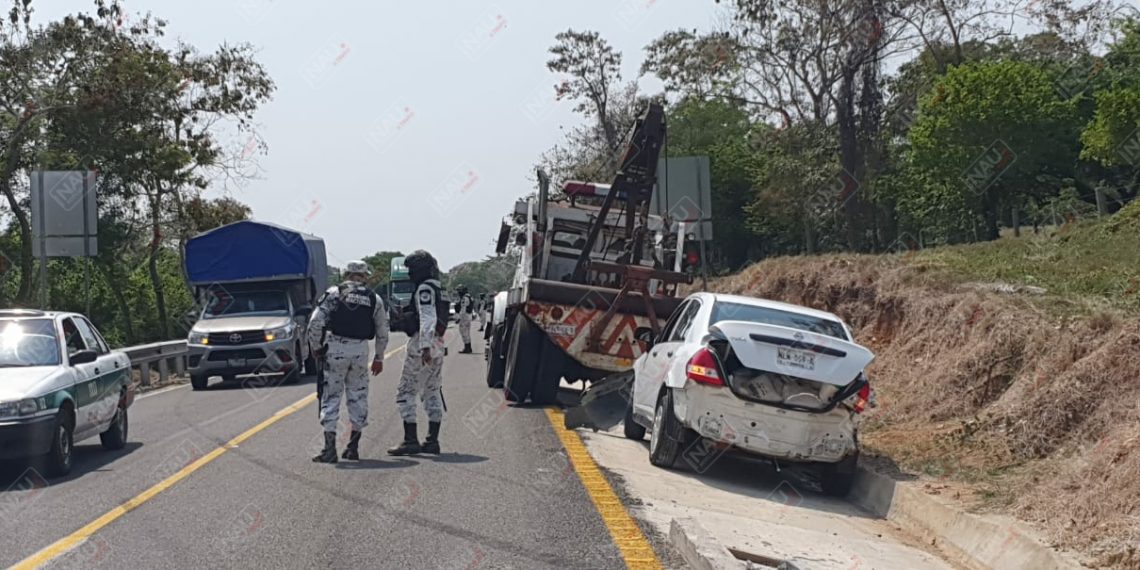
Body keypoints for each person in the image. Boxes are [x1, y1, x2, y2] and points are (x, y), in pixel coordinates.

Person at [307, 260, 389, 463]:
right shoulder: (374, 298)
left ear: (347, 274)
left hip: (335, 348)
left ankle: (329, 449)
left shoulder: (334, 293)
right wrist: (379, 357)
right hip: (360, 350)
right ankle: (353, 448)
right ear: (364, 276)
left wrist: (316, 348)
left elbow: (315, 323)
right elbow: (382, 332)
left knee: (331, 397)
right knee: (358, 396)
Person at [389, 250, 449, 455]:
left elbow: (427, 317)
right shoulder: (439, 288)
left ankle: (410, 440)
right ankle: (432, 440)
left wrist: (424, 347)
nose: (410, 274)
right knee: (431, 390)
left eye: (412, 270)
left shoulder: (425, 289)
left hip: (423, 344)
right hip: (438, 343)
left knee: (405, 392)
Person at [455, 284, 474, 354]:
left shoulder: (464, 298)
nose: (458, 293)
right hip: (468, 316)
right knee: (467, 332)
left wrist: (458, 318)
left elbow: (463, 309)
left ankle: (467, 348)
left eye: (459, 291)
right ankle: (468, 347)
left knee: (464, 332)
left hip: (464, 316)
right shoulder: (469, 297)